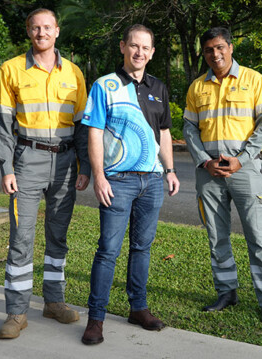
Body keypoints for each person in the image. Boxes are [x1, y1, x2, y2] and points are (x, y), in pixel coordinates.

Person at [80, 24, 180, 345]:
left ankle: (138, 308)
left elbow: (163, 132)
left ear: (152, 53)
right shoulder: (104, 86)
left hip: (151, 181)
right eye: (133, 46)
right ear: (123, 47)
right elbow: (93, 132)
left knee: (142, 247)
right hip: (117, 181)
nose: (139, 52)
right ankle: (96, 318)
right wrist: (98, 176)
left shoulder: (158, 87)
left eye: (145, 48)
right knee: (108, 250)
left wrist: (170, 170)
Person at [0, 8, 90, 339]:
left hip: (65, 164)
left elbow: (81, 126)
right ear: (28, 32)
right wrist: (6, 167)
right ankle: (16, 312)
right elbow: (3, 125)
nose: (41, 33)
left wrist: (85, 165)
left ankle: (54, 302)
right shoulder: (11, 70)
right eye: (36, 28)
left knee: (58, 236)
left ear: (57, 31)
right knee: (21, 238)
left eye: (47, 27)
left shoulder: (74, 72)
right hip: (27, 160)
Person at [183, 27, 262, 325]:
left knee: (259, 237)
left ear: (230, 47)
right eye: (209, 49)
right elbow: (189, 129)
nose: (216, 54)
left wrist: (240, 160)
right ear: (204, 53)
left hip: (245, 170)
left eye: (220, 47)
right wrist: (204, 161)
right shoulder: (197, 87)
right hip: (209, 173)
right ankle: (226, 291)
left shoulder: (253, 80)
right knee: (217, 237)